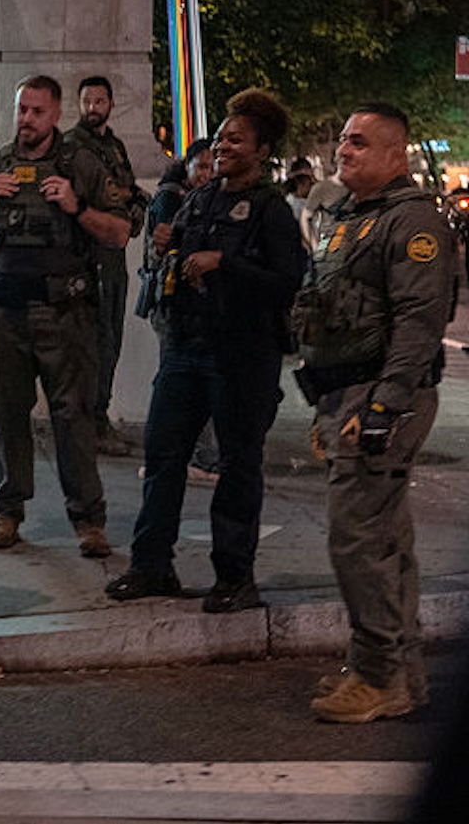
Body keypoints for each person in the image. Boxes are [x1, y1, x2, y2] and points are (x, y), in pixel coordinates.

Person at [105, 89, 304, 613]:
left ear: (262, 150)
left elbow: (287, 282)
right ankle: (151, 567)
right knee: (163, 454)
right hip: (186, 348)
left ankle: (235, 579)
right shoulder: (201, 197)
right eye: (219, 136)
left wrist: (225, 263)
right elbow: (175, 260)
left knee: (238, 465)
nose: (222, 145)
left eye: (235, 139)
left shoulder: (271, 210)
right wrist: (167, 245)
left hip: (241, 356)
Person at [291, 103, 452, 724]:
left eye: (359, 142)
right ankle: (401, 674)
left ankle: (377, 673)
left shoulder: (411, 223)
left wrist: (384, 406)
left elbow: (418, 325)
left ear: (395, 155)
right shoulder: (349, 215)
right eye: (342, 140)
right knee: (386, 540)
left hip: (379, 397)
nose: (343, 149)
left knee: (356, 541)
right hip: (347, 395)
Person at [0, 74, 130, 556]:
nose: (26, 119)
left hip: (65, 312)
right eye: (21, 109)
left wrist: (76, 207)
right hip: (5, 311)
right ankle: (7, 511)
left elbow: (118, 233)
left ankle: (88, 520)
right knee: (8, 414)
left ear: (54, 116)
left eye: (36, 111)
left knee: (73, 417)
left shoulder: (81, 165)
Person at [65, 76, 147, 457]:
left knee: (111, 337)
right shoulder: (72, 147)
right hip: (86, 256)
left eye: (99, 100)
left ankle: (99, 416)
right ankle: (89, 422)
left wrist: (131, 211)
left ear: (111, 104)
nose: (93, 107)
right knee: (92, 343)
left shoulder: (114, 147)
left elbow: (129, 193)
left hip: (113, 255)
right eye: (87, 101)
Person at [137, 138, 222, 482]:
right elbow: (167, 252)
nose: (207, 173)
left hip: (198, 309)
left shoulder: (208, 200)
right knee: (177, 382)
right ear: (185, 168)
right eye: (200, 166)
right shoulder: (172, 200)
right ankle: (195, 457)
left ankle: (197, 456)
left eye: (211, 165)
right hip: (173, 304)